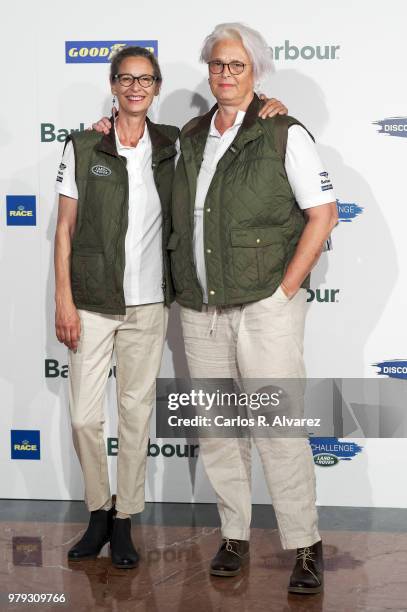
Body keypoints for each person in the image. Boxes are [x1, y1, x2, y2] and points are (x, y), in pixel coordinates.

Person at [56, 45, 286, 569]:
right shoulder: (84, 145)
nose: (136, 87)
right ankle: (98, 508)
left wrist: (268, 102)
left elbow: (229, 121)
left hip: (151, 303)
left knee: (135, 415)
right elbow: (64, 230)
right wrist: (63, 298)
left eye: (146, 79)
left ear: (157, 88)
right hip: (91, 302)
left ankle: (124, 519)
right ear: (113, 85)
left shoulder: (172, 144)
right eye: (126, 78)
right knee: (84, 417)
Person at [169, 23, 338, 594]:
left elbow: (324, 213)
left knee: (278, 430)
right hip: (201, 307)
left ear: (255, 71)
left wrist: (285, 290)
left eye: (236, 65)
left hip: (266, 304)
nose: (224, 74)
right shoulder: (191, 135)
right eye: (217, 64)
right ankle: (234, 534)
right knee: (219, 432)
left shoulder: (283, 131)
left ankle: (306, 545)